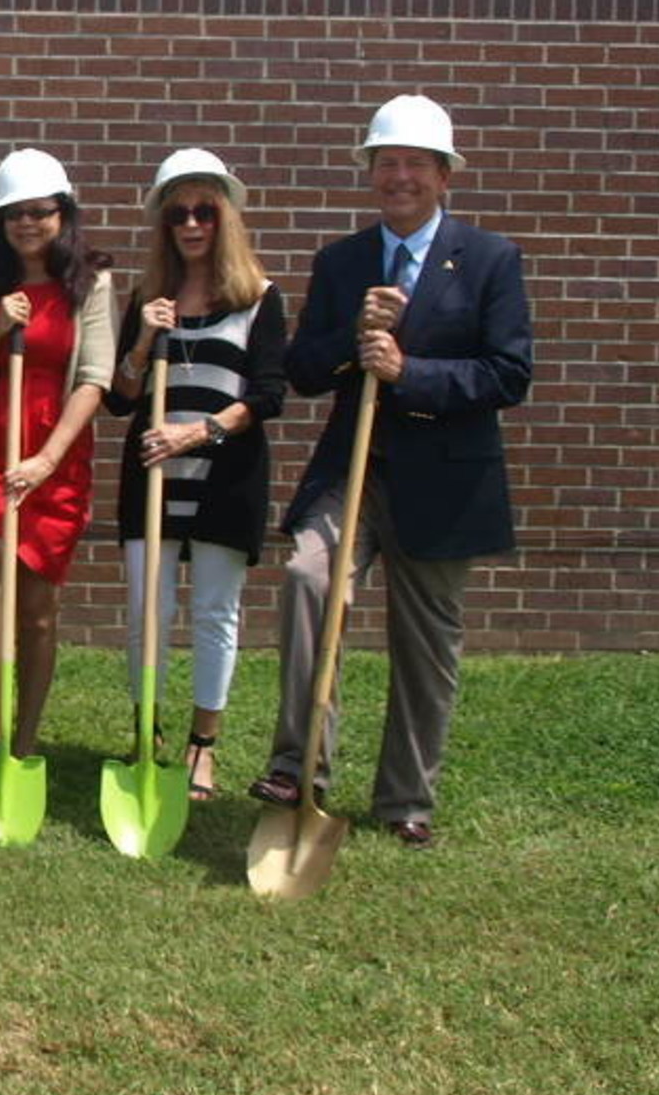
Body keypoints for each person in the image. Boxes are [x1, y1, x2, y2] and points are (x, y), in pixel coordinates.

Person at [257, 94, 533, 848]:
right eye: (387, 164)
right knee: (309, 578)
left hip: (444, 478)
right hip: (355, 468)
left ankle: (405, 797)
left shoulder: (488, 260)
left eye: (415, 164)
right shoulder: (343, 261)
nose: (399, 177)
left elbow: (509, 373)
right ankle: (297, 766)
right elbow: (305, 371)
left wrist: (410, 370)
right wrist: (355, 336)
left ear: (445, 176)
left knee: (425, 640)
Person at [104, 149, 287, 800]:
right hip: (152, 476)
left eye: (204, 211)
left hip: (223, 476)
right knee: (144, 612)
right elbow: (122, 398)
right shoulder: (147, 300)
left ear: (225, 218)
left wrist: (199, 430)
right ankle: (145, 735)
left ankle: (201, 746)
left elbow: (268, 394)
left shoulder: (258, 298)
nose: (191, 224)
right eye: (178, 212)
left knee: (214, 612)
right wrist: (143, 342)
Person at [0, 150, 112, 757]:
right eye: (14, 214)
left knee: (38, 606)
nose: (27, 224)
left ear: (63, 215)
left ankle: (27, 735)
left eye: (40, 212)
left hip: (56, 457)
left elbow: (95, 379)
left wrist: (46, 460)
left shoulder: (91, 284)